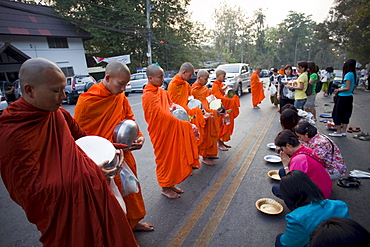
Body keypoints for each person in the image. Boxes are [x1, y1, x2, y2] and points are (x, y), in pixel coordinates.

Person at [0, 58, 138, 246]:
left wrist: (113, 150)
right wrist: (92, 173)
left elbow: (84, 140)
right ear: (29, 90)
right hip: (63, 213)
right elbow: (29, 192)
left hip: (89, 192)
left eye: (63, 89)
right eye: (56, 91)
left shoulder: (57, 114)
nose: (64, 97)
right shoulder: (12, 133)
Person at [74, 61, 153, 232]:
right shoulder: (87, 102)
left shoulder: (120, 97)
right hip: (103, 159)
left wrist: (138, 138)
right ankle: (121, 233)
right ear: (108, 78)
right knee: (112, 199)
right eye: (121, 84)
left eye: (126, 84)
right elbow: (80, 138)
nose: (124, 88)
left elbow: (129, 119)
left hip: (124, 154)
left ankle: (133, 222)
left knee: (130, 190)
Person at [142, 65, 199, 199]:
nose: (163, 79)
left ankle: (171, 184)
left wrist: (184, 116)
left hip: (170, 130)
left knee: (174, 158)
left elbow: (171, 106)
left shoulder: (161, 92)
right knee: (164, 160)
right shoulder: (148, 95)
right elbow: (161, 116)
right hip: (161, 133)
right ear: (150, 78)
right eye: (159, 77)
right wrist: (184, 125)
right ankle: (165, 187)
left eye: (162, 76)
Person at [275, 170, 350, 247]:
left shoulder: (297, 218)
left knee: (279, 239)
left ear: (289, 197)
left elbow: (288, 244)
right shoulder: (340, 205)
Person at [272, 129, 332, 199]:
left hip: (319, 196)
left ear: (288, 146)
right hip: (323, 186)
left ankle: (301, 207)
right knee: (282, 172)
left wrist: (286, 165)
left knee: (276, 189)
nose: (283, 151)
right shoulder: (305, 148)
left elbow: (293, 183)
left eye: (282, 148)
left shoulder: (298, 160)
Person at [168, 62, 205, 166]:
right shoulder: (173, 85)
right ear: (184, 72)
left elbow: (190, 100)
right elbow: (174, 105)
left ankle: (192, 161)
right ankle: (185, 164)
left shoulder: (186, 85)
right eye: (190, 75)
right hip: (179, 118)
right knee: (183, 144)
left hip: (189, 116)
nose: (191, 77)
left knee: (192, 140)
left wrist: (197, 110)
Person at [190, 69, 220, 166]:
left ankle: (210, 153)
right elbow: (193, 105)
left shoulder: (205, 89)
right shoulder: (193, 90)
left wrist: (215, 106)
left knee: (212, 135)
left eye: (207, 79)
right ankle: (204, 157)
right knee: (204, 137)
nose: (207, 81)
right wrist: (202, 113)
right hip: (201, 116)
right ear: (199, 78)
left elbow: (209, 99)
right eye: (205, 79)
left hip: (210, 114)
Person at [211, 69, 240, 151]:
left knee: (225, 125)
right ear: (217, 76)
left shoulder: (221, 84)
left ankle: (222, 142)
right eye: (223, 76)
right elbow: (218, 97)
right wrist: (230, 100)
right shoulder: (215, 85)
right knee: (220, 126)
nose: (224, 78)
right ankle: (219, 144)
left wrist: (231, 96)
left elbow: (226, 94)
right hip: (220, 109)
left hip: (225, 108)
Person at [329, 59, 357, 137]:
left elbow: (347, 87)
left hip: (342, 97)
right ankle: (343, 131)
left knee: (337, 114)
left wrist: (338, 90)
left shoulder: (348, 74)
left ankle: (338, 131)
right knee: (346, 114)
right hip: (349, 97)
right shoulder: (354, 74)